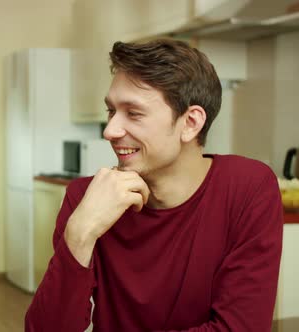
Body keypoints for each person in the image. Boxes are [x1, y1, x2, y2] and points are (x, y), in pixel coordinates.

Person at [25, 39, 283, 331]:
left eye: (133, 113)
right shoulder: (86, 198)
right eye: (111, 111)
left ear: (190, 123)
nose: (109, 130)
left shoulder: (248, 188)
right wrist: (79, 233)